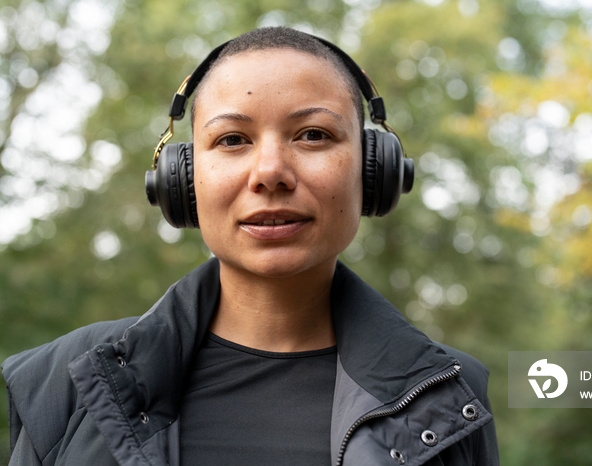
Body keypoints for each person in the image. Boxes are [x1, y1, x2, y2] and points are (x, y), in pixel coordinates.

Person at [2, 27, 499, 465]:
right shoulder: (63, 383)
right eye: (233, 140)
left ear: (375, 172)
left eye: (312, 134)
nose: (270, 174)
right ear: (182, 180)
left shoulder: (450, 393)